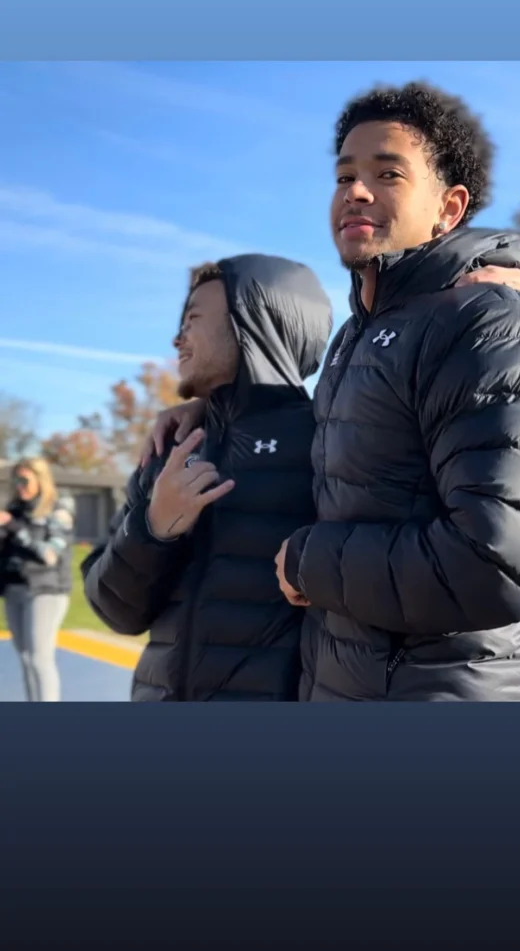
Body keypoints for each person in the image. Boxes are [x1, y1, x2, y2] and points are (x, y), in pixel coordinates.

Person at [150, 81, 520, 702]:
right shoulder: (359, 336)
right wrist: (210, 407)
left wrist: (309, 562)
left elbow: (500, 564)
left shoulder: (491, 319)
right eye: (344, 174)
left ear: (449, 208)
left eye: (388, 173)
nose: (355, 190)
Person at [81, 254, 333, 701]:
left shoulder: (329, 441)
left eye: (193, 318)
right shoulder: (172, 443)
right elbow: (115, 611)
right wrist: (153, 528)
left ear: (253, 322)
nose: (177, 339)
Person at [0, 457, 75, 702]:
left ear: (40, 480)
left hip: (46, 591)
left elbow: (50, 555)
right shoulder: (13, 509)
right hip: (15, 590)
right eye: (15, 480)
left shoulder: (58, 508)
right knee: (24, 657)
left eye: (24, 480)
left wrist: (14, 528)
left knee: (39, 657)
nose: (19, 485)